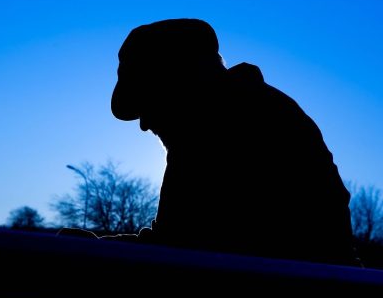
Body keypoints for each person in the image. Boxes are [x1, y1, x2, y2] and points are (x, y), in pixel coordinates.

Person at [62, 18, 359, 267]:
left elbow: (176, 254)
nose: (144, 124)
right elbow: (177, 241)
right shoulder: (236, 113)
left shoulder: (222, 130)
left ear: (177, 83)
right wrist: (99, 248)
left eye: (148, 101)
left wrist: (95, 252)